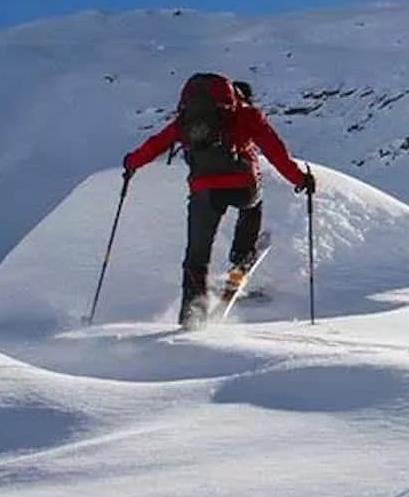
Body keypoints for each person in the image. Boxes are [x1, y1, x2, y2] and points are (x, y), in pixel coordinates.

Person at [123, 73, 314, 326]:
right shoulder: (247, 115)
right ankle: (241, 257)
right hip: (243, 185)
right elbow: (275, 151)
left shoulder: (187, 121)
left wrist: (131, 163)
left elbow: (155, 144)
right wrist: (299, 179)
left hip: (204, 191)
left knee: (196, 257)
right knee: (253, 205)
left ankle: (192, 315)